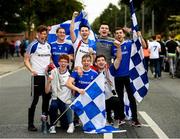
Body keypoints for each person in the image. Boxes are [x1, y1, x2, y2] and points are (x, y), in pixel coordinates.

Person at [109, 27, 146, 127]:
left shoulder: (130, 43)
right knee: (119, 98)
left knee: (131, 97)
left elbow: (144, 45)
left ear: (124, 34)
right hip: (118, 75)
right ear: (114, 35)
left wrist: (139, 35)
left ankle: (135, 119)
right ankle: (121, 118)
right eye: (116, 33)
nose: (119, 35)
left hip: (129, 75)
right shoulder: (113, 46)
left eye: (120, 33)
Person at [24, 25, 51, 131]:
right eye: (42, 33)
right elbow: (26, 60)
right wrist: (32, 70)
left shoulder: (48, 46)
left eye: (45, 34)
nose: (43, 35)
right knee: (34, 101)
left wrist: (51, 68)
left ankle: (44, 122)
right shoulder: (33, 45)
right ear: (38, 34)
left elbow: (50, 60)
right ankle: (30, 124)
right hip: (37, 77)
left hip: (47, 77)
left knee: (46, 100)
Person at [94, 43, 122, 128]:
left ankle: (116, 119)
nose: (101, 62)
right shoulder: (93, 72)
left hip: (110, 95)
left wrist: (119, 47)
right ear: (95, 63)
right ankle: (108, 119)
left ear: (106, 62)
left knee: (116, 100)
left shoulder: (110, 70)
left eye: (102, 60)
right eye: (98, 61)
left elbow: (119, 58)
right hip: (99, 97)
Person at [66, 54, 98, 126]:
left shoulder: (95, 73)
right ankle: (73, 121)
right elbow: (68, 83)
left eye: (88, 61)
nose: (86, 62)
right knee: (68, 103)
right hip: (78, 98)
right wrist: (78, 90)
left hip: (89, 98)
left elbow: (96, 88)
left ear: (90, 62)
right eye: (84, 61)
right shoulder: (77, 72)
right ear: (81, 62)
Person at [45, 54, 74, 134]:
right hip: (56, 98)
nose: (63, 63)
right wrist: (48, 81)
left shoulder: (70, 74)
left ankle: (69, 123)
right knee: (53, 106)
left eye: (65, 62)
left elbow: (73, 90)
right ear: (58, 62)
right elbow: (47, 91)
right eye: (61, 62)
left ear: (68, 64)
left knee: (64, 126)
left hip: (66, 99)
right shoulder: (53, 72)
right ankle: (52, 125)